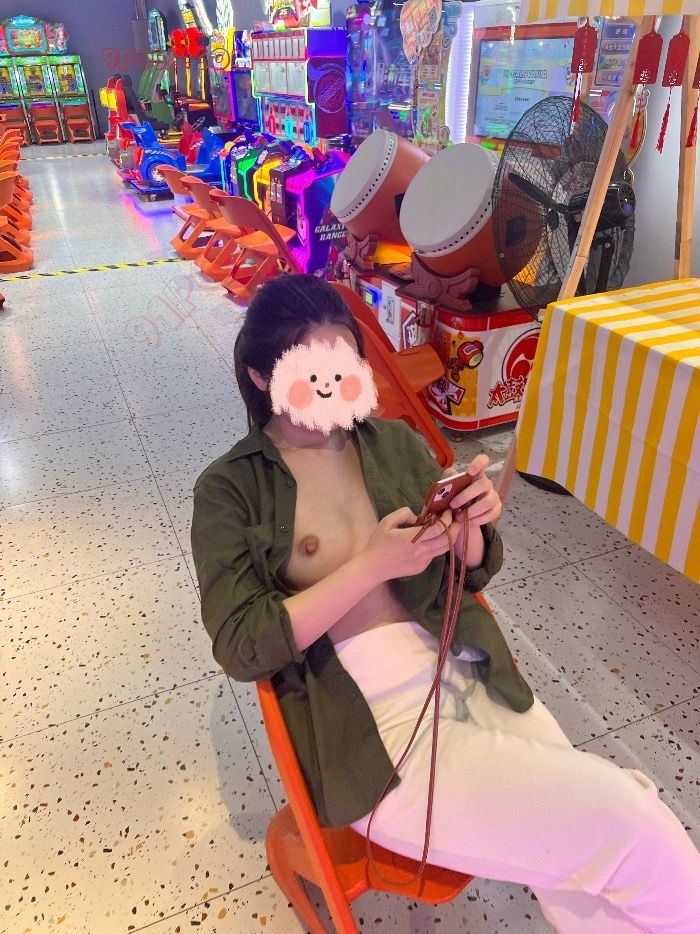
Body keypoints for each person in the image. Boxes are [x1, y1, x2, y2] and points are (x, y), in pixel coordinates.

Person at [191, 274, 700, 933]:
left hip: (470, 668)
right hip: (376, 732)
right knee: (626, 820)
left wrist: (470, 530)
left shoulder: (394, 445)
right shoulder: (232, 489)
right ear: (262, 376)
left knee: (588, 854)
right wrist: (370, 566)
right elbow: (241, 644)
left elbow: (476, 568)